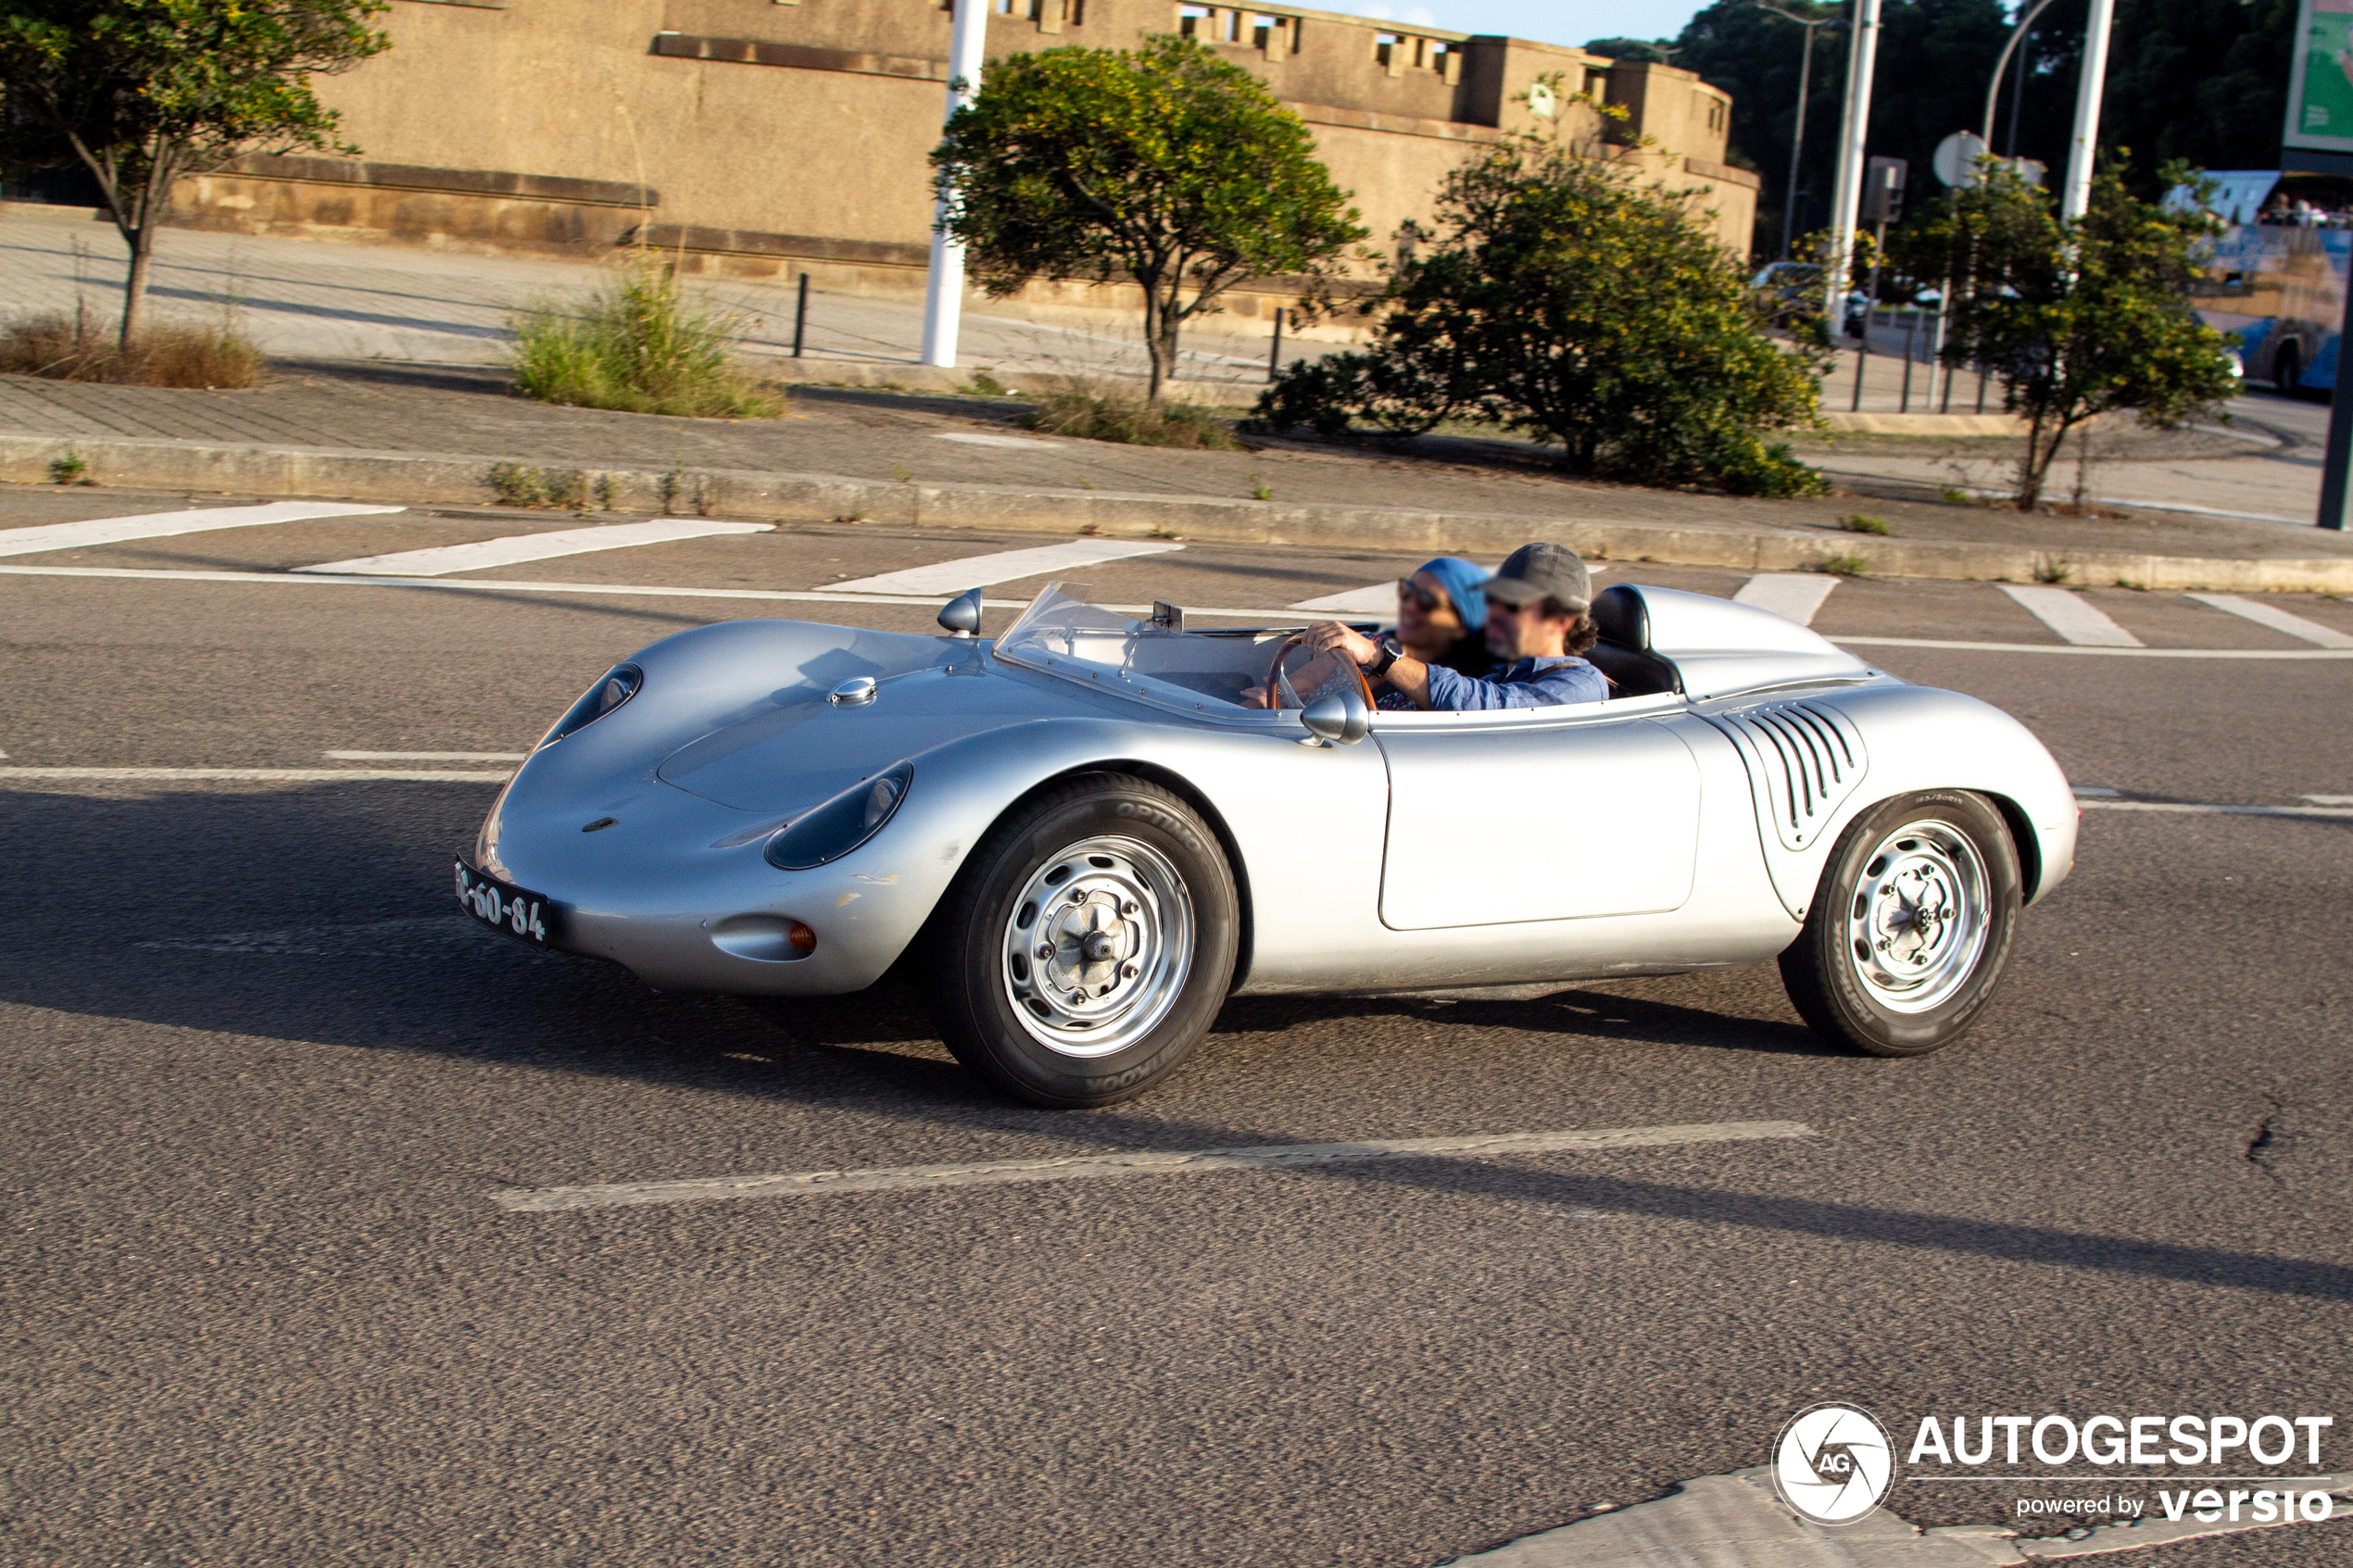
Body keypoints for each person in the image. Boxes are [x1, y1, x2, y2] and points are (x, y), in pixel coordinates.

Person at [1302, 542, 1606, 711]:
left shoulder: (1581, 683)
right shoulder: (1495, 661)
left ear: (1562, 620)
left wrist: (1378, 655)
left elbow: (1495, 708)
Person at [1378, 557, 1494, 709]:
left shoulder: (1452, 696)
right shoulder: (1375, 643)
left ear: (1462, 626)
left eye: (1427, 601)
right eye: (1407, 590)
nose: (1409, 606)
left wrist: (1381, 660)